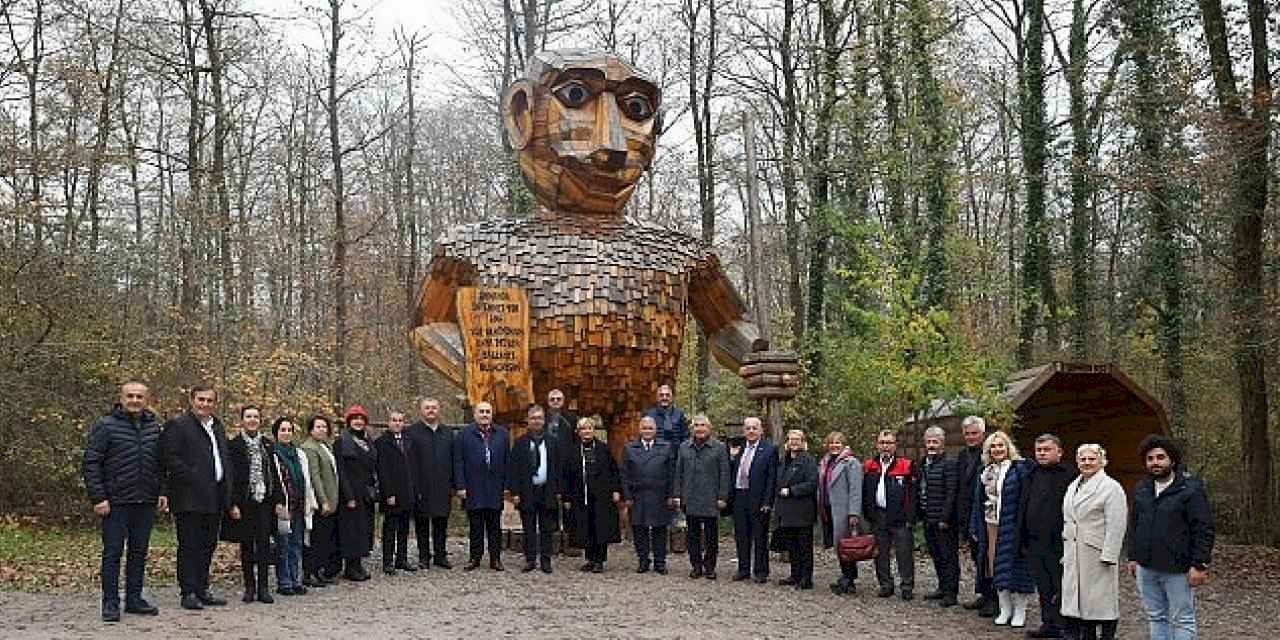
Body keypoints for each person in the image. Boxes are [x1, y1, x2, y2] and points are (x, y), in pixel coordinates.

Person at [81, 381, 166, 621]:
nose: (135, 400)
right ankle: (110, 603)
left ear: (146, 399)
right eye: (130, 396)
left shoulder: (153, 428)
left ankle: (134, 599)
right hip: (115, 502)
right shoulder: (105, 425)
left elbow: (160, 465)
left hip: (145, 501)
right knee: (112, 553)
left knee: (139, 553)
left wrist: (162, 491)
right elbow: (91, 463)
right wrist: (98, 497)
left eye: (139, 396)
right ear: (122, 398)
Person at [1127, 434, 1215, 640]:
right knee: (1156, 616)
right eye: (1150, 459)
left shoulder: (1190, 489)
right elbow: (1134, 525)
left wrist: (1199, 564)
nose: (1155, 462)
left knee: (1182, 618)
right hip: (1146, 567)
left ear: (1172, 460)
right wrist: (1133, 556)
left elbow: (1203, 528)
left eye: (1160, 457)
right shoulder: (1142, 489)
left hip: (1178, 568)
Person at [159, 384, 234, 611]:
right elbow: (169, 458)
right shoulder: (178, 425)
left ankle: (202, 588)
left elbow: (223, 458)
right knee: (189, 545)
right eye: (201, 400)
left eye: (209, 400)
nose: (205, 404)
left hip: (214, 497)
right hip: (189, 497)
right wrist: (194, 477)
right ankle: (188, 591)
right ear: (192, 400)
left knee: (208, 545)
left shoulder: (217, 427)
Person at [969, 430, 1035, 628]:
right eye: (993, 446)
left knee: (1017, 568)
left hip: (1013, 526)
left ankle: (1020, 611)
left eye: (1001, 445)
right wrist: (974, 525)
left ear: (1008, 448)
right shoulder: (985, 471)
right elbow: (978, 501)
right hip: (991, 525)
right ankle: (1005, 609)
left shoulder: (1019, 469)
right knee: (995, 568)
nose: (997, 449)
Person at [1061, 444, 1127, 640]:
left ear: (1102, 461)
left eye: (1092, 459)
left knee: (1103, 601)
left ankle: (1107, 636)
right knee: (1083, 601)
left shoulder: (1111, 487)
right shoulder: (1074, 485)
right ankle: (1086, 635)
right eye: (1083, 459)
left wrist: (1110, 554)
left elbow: (1117, 524)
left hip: (1097, 552)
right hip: (1074, 549)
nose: (1087, 463)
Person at [1018, 434, 1078, 638]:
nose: (1042, 453)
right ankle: (1048, 622)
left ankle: (1065, 626)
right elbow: (1023, 506)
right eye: (1039, 450)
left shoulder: (1070, 475)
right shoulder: (1031, 473)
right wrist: (1021, 537)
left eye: (1046, 449)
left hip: (1059, 542)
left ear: (1059, 452)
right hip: (1035, 541)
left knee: (1061, 585)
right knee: (1043, 585)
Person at [223, 406, 284, 604]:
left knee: (265, 545)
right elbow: (229, 477)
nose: (252, 420)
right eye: (248, 416)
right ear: (242, 420)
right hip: (244, 502)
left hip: (264, 501)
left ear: (260, 420)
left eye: (255, 417)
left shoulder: (267, 444)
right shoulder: (233, 445)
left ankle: (264, 587)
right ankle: (250, 586)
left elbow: (274, 473)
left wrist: (279, 500)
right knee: (247, 544)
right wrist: (231, 503)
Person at [454, 400, 510, 571]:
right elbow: (458, 462)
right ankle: (474, 558)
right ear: (475, 414)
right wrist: (460, 486)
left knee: (495, 526)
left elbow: (508, 461)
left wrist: (507, 485)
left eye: (487, 412)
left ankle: (495, 559)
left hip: (495, 487)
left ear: (492, 415)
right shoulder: (464, 434)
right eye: (481, 412)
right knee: (476, 526)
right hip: (473, 487)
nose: (485, 415)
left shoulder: (502, 434)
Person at [562, 417, 623, 572]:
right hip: (581, 496)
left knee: (600, 528)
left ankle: (599, 560)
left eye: (589, 428)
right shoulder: (573, 451)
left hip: (601, 496)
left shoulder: (603, 448)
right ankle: (589, 559)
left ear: (593, 430)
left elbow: (613, 470)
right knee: (585, 527)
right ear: (578, 432)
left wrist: (616, 490)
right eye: (583, 429)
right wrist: (567, 497)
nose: (586, 432)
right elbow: (567, 476)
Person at [673, 414, 730, 580]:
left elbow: (725, 474)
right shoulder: (684, 447)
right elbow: (679, 473)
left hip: (711, 498)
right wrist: (677, 494)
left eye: (702, 425)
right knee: (693, 536)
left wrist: (723, 496)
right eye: (696, 425)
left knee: (711, 537)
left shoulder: (719, 447)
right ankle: (696, 565)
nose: (699, 428)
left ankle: (710, 567)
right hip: (690, 497)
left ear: (709, 428)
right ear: (692, 428)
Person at [862, 429, 915, 600]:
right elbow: (864, 492)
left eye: (889, 443)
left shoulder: (906, 465)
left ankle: (907, 586)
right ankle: (885, 585)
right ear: (877, 445)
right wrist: (868, 514)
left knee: (904, 554)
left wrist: (911, 517)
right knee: (880, 553)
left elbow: (913, 494)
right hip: (878, 516)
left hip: (900, 518)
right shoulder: (869, 465)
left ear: (895, 445)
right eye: (882, 443)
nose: (885, 446)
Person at [509, 404, 561, 574]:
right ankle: (530, 560)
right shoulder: (520, 443)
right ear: (528, 421)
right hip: (527, 491)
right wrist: (515, 492)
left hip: (547, 490)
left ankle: (546, 560)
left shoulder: (553, 442)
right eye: (533, 418)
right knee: (529, 528)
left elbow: (559, 469)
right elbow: (514, 469)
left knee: (546, 528)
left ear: (544, 420)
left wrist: (558, 491)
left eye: (539, 418)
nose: (536, 421)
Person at [621, 415, 676, 574]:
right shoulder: (629, 448)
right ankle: (643, 560)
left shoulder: (666, 447)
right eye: (644, 428)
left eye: (650, 428)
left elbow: (672, 473)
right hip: (638, 495)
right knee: (639, 529)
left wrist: (671, 495)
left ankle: (660, 562)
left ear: (655, 430)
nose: (647, 431)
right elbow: (624, 474)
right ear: (639, 429)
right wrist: (627, 496)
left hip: (659, 494)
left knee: (659, 530)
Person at [406, 397, 454, 570]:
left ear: (439, 410)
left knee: (441, 522)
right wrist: (413, 486)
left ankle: (440, 556)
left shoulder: (447, 432)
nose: (431, 410)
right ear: (421, 411)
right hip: (421, 485)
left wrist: (454, 484)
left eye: (434, 407)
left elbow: (454, 459)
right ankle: (424, 556)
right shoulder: (411, 432)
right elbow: (409, 462)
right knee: (422, 523)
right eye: (427, 408)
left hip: (443, 484)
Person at [958, 415, 997, 617]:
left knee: (989, 557)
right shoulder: (963, 455)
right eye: (967, 434)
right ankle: (983, 592)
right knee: (977, 557)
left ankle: (994, 598)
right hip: (968, 513)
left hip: (987, 513)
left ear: (983, 434)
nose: (971, 437)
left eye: (975, 433)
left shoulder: (990, 453)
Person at [916, 426, 960, 607]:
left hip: (944, 520)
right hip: (928, 517)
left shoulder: (949, 463)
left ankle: (951, 593)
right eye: (929, 442)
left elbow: (951, 492)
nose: (931, 445)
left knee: (948, 556)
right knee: (936, 555)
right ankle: (942, 587)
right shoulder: (924, 462)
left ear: (942, 443)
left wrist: (945, 518)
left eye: (935, 441)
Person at [730, 416, 777, 583]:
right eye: (748, 428)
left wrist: (767, 502)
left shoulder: (769, 449)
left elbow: (772, 479)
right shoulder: (739, 449)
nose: (751, 431)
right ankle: (743, 569)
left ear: (761, 430)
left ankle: (761, 571)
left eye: (754, 428)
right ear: (744, 431)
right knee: (741, 535)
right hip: (739, 496)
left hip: (758, 498)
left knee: (760, 536)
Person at [335, 404, 377, 581]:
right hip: (350, 493)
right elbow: (340, 470)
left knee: (364, 530)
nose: (358, 422)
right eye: (355, 419)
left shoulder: (368, 441)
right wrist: (349, 495)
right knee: (351, 531)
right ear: (349, 422)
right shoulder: (341, 442)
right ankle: (350, 568)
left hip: (365, 492)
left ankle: (358, 564)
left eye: (361, 419)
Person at [774, 429, 818, 590]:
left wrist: (792, 490)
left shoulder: (808, 461)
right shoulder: (784, 460)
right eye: (791, 439)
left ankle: (806, 579)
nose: (793, 442)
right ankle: (795, 574)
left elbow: (812, 483)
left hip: (802, 510)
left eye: (797, 439)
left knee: (804, 547)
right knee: (791, 545)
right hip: (786, 511)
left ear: (803, 442)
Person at [818, 431, 861, 595]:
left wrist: (854, 513)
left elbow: (855, 490)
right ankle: (846, 576)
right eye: (831, 443)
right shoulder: (826, 462)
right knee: (839, 545)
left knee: (847, 546)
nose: (834, 446)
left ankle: (849, 579)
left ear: (843, 445)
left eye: (838, 443)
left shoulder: (851, 463)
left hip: (844, 511)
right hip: (828, 510)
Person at [271, 417, 310, 597]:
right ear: (276, 433)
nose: (286, 433)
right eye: (282, 430)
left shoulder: (299, 454)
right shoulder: (273, 453)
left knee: (296, 545)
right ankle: (284, 581)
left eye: (289, 430)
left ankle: (296, 579)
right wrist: (278, 503)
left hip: (299, 505)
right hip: (283, 505)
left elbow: (306, 479)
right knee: (283, 545)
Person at [374, 410, 417, 574]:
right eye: (394, 420)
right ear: (389, 423)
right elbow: (382, 471)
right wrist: (389, 493)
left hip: (407, 491)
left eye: (400, 420)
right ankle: (387, 561)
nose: (397, 423)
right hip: (391, 493)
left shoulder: (408, 440)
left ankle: (402, 559)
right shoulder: (382, 442)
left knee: (404, 528)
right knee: (390, 529)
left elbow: (413, 467)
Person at [299, 415, 339, 586]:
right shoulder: (309, 448)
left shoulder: (325, 446)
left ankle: (319, 571)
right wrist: (323, 500)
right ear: (310, 429)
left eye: (324, 427)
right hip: (318, 502)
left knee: (324, 539)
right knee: (314, 539)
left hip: (331, 498)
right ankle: (309, 573)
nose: (322, 430)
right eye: (318, 427)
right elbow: (314, 477)